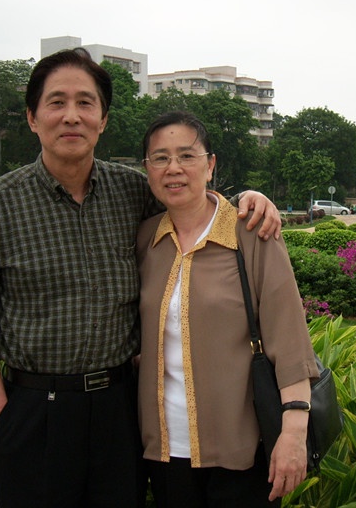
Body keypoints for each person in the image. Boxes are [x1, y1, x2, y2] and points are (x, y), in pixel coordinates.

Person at [0, 49, 282, 508]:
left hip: (119, 411)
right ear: (32, 117)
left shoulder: (131, 192)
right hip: (34, 409)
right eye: (57, 102)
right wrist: (0, 413)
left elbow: (191, 201)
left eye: (85, 103)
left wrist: (250, 197)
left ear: (103, 120)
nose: (72, 116)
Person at [136, 111, 319, 507]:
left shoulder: (251, 231)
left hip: (243, 450)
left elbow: (289, 338)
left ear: (210, 165)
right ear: (147, 169)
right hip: (164, 451)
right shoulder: (146, 239)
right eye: (161, 158)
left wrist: (294, 431)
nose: (174, 169)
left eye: (187, 156)